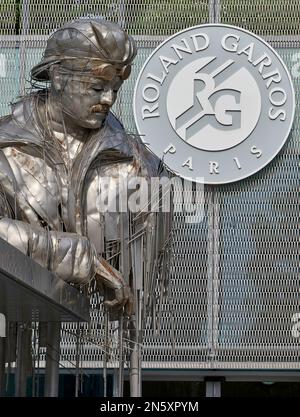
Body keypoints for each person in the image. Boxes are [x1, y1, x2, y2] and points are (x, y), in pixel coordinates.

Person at [0, 18, 161, 316]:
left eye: (115, 88)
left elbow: (146, 278)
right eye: (98, 87)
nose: (109, 99)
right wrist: (85, 261)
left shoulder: (139, 162)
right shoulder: (3, 150)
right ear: (59, 77)